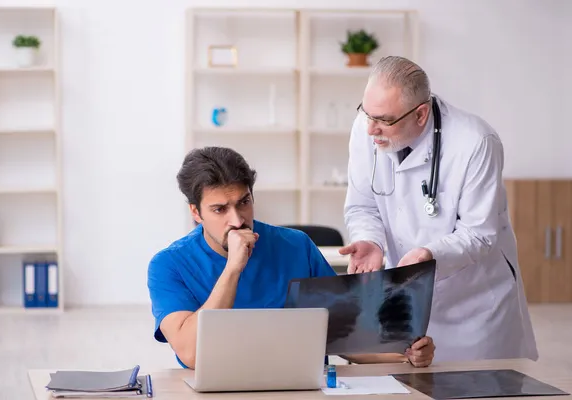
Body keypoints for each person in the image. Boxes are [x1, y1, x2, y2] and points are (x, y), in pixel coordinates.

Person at [147, 146, 435, 369]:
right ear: (196, 213)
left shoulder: (297, 246)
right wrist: (234, 268)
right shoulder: (168, 265)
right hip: (213, 388)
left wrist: (402, 353)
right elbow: (192, 353)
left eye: (244, 202)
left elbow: (342, 336)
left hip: (302, 385)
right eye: (220, 209)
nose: (237, 220)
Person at [340, 55, 538, 362]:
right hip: (406, 297)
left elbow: (479, 234)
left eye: (384, 120)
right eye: (367, 114)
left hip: (473, 305)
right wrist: (371, 239)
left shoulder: (475, 142)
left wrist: (427, 255)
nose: (370, 130)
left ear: (420, 114)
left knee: (478, 388)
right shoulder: (367, 127)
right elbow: (363, 204)